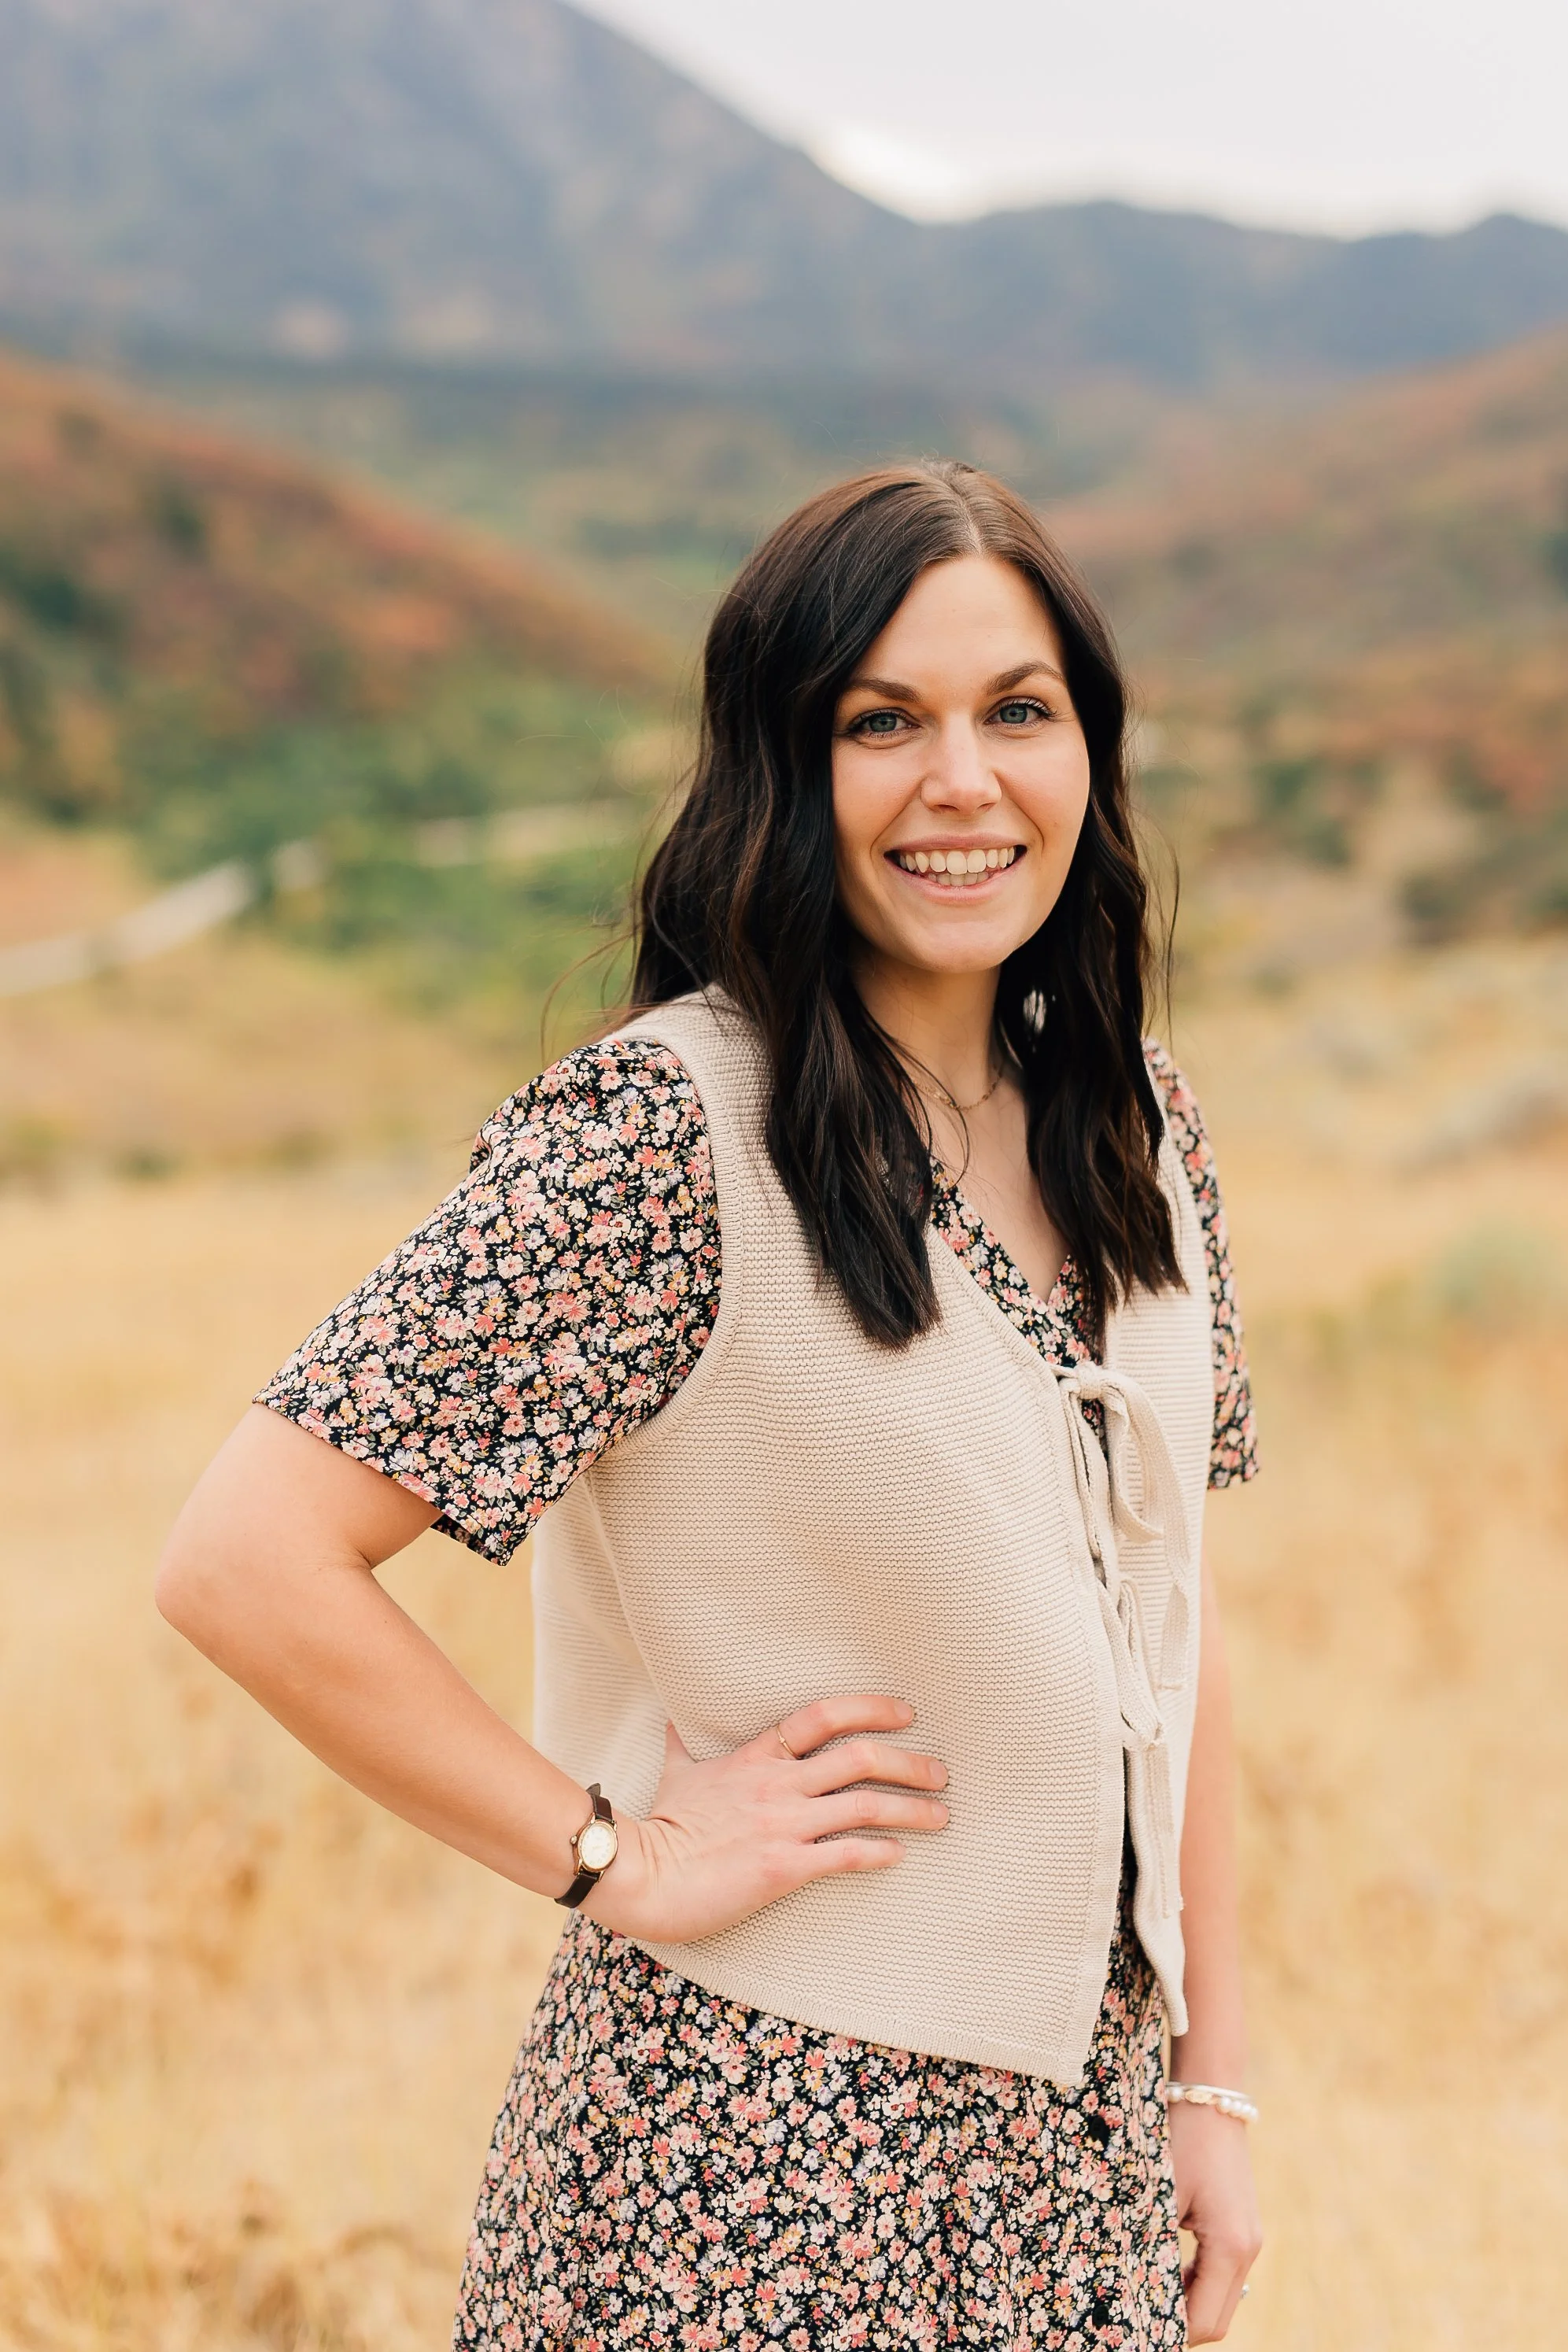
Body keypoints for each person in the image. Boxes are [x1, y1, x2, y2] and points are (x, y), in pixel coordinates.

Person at [158, 460, 1263, 2348]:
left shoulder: (1132, 1126)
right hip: (744, 2159)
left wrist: (1212, 2082)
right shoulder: (663, 1139)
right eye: (881, 723)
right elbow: (246, 1562)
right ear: (782, 764)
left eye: (1020, 712)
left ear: (1091, 749)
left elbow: (1164, 1630)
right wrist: (625, 1856)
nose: (964, 782)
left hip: (1076, 2176)